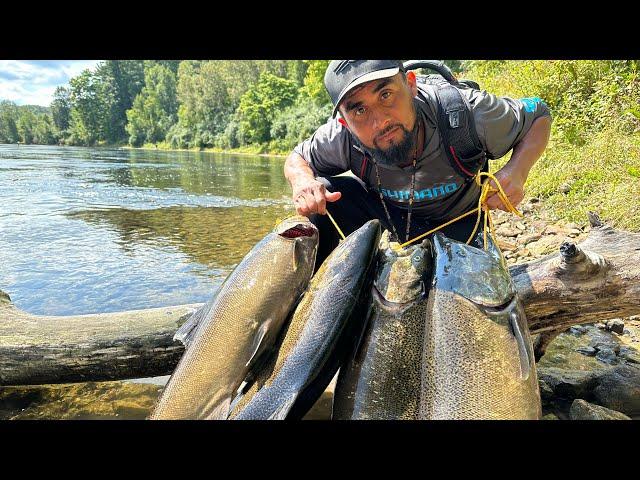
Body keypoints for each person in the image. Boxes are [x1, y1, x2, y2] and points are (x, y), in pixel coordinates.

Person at [284, 60, 552, 269]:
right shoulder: (341, 137)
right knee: (324, 193)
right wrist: (303, 183)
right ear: (344, 121)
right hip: (391, 220)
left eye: (386, 95)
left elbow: (539, 113)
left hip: (458, 224)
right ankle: (317, 299)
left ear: (410, 84)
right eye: (360, 110)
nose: (380, 121)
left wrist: (518, 171)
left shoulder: (467, 113)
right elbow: (298, 158)